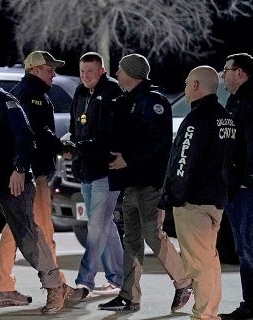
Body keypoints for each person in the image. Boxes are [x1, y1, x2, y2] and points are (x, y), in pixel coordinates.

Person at [0, 55, 76, 315]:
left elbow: (26, 138)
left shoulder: (4, 102)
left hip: (11, 186)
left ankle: (54, 287)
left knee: (29, 239)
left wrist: (19, 169)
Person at [99, 53, 193, 311]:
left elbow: (158, 142)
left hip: (150, 183)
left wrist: (127, 158)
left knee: (153, 234)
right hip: (130, 183)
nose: (116, 73)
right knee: (131, 239)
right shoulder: (126, 101)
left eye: (120, 69)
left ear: (131, 72)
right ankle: (129, 295)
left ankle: (184, 282)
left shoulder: (154, 102)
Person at [158, 65, 235, 320]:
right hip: (216, 200)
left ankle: (203, 315)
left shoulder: (196, 119)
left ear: (195, 86)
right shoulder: (225, 116)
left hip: (195, 201)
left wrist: (175, 196)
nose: (184, 88)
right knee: (210, 261)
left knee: (198, 265)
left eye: (187, 83)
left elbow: (183, 160)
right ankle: (209, 312)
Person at [0, 50, 71, 307]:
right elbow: (38, 133)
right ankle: (57, 286)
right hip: (33, 173)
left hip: (18, 173)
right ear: (36, 70)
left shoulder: (18, 93)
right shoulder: (33, 96)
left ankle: (3, 285)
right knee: (44, 232)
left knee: (13, 229)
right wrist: (63, 148)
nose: (54, 73)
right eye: (50, 69)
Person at [65, 51, 124, 297]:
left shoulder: (112, 92)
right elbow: (73, 126)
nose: (85, 76)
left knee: (96, 227)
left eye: (90, 71)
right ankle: (118, 279)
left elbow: (108, 134)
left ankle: (84, 282)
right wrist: (70, 145)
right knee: (104, 225)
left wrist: (79, 147)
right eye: (82, 71)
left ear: (101, 70)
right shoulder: (80, 92)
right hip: (85, 171)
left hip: (105, 171)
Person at [219, 53, 253, 320]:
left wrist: (244, 178)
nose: (223, 74)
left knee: (249, 249)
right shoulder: (235, 100)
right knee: (243, 249)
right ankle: (249, 303)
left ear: (240, 72)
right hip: (236, 188)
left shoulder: (249, 101)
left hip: (246, 189)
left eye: (226, 69)